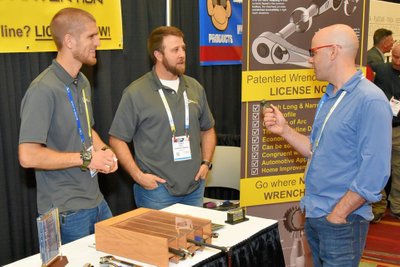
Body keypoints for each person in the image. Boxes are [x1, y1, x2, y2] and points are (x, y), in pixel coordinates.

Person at [263, 24, 392, 267]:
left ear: (333, 52)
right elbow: (316, 149)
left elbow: (375, 173)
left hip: (342, 222)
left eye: (314, 52)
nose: (310, 59)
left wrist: (338, 214)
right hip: (316, 213)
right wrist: (285, 130)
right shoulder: (331, 95)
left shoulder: (370, 100)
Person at [18, 8, 118, 244]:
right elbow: (27, 156)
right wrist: (86, 158)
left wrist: (104, 150)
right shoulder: (43, 89)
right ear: (70, 41)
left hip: (96, 201)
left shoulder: (81, 82)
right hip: (65, 212)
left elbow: (85, 128)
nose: (99, 42)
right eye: (91, 36)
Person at [109, 26, 216, 210]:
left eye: (183, 48)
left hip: (194, 188)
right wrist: (138, 176)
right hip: (156, 192)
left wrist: (206, 163)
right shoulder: (136, 92)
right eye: (175, 50)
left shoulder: (195, 87)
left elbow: (208, 129)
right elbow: (117, 139)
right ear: (158, 55)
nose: (182, 54)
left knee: (193, 240)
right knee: (158, 240)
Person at [367, 28, 395, 222]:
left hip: (392, 123)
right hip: (380, 122)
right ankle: (378, 205)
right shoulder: (376, 64)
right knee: (378, 163)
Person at [373, 43, 400, 221]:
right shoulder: (381, 70)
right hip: (380, 128)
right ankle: (377, 206)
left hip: (399, 128)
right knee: (377, 168)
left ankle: (397, 206)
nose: (397, 61)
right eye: (395, 56)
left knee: (398, 169)